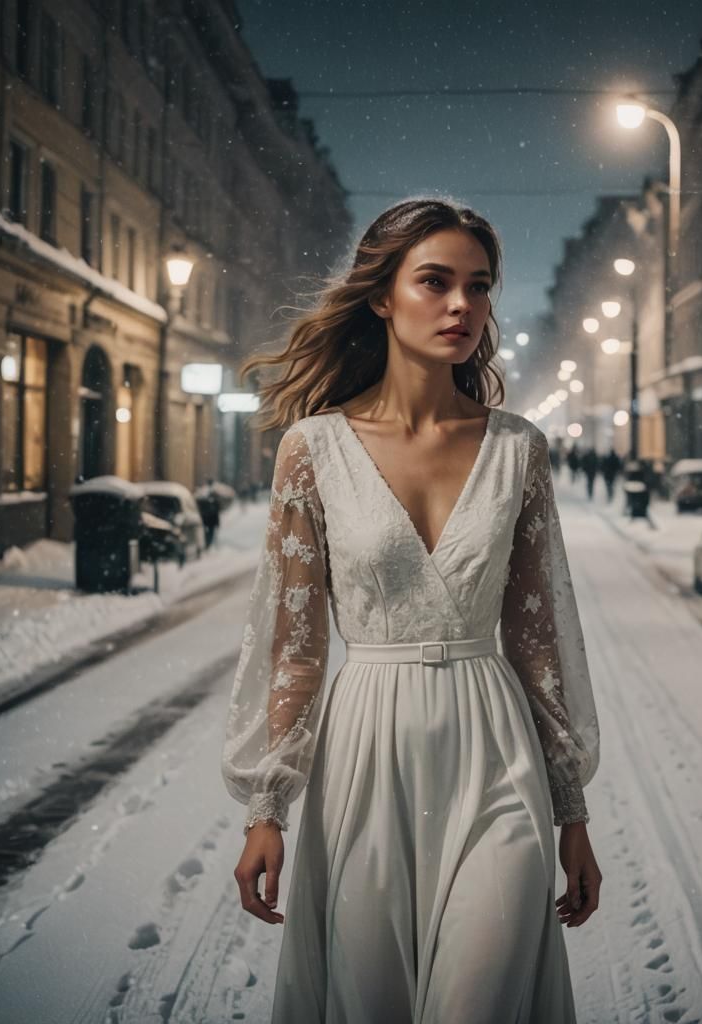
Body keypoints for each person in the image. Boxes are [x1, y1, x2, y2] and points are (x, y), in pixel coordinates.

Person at [221, 197, 603, 1023]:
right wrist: (268, 809)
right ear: (382, 296)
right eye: (436, 281)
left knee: (481, 1000)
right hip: (365, 749)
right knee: (373, 1004)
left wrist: (571, 810)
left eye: (480, 286)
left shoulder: (518, 449)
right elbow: (295, 651)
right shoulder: (311, 450)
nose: (463, 304)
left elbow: (538, 644)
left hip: (494, 748)